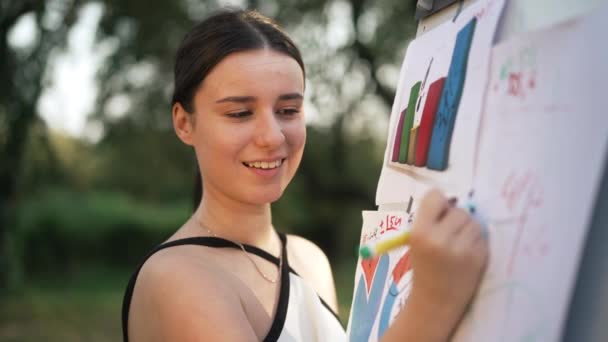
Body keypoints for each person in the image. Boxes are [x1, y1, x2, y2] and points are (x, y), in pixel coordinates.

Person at [121, 8, 488, 342]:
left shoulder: (308, 258)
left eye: (288, 109)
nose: (273, 136)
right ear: (184, 123)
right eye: (239, 113)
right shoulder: (176, 279)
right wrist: (432, 303)